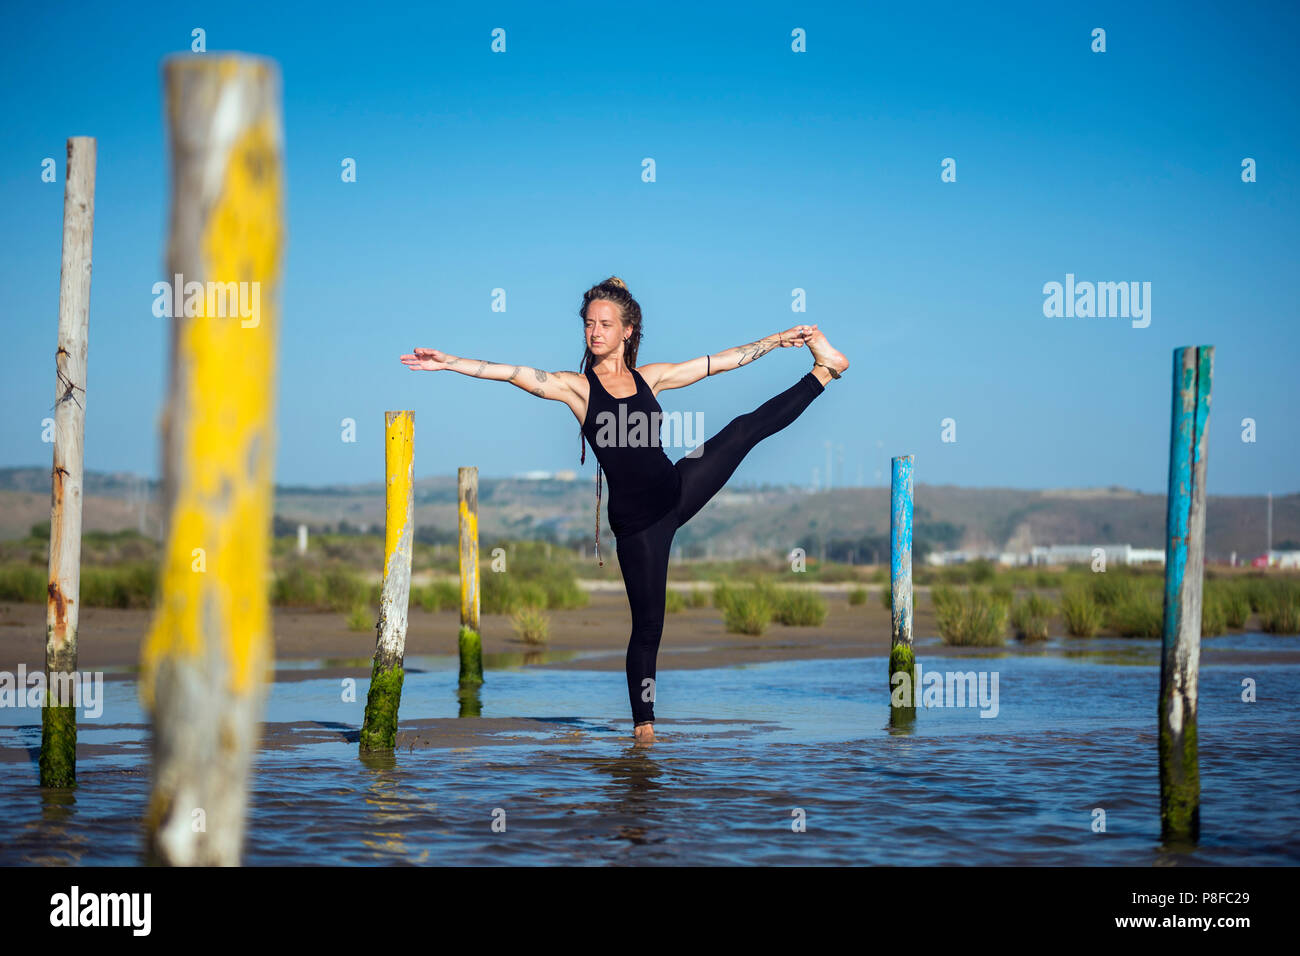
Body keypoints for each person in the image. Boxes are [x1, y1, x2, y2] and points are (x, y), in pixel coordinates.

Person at [400, 276, 848, 743]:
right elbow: (514, 373)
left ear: (627, 331)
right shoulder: (577, 388)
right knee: (649, 625)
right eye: (589, 324)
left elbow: (718, 364)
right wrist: (450, 363)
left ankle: (825, 370)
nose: (595, 332)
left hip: (676, 486)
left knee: (741, 430)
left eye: (605, 324)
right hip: (639, 524)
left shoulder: (648, 377)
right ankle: (644, 731)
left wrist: (775, 342)